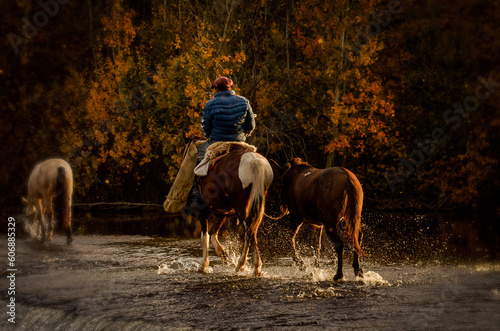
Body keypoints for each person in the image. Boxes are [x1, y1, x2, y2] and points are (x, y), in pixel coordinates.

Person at [186, 76, 256, 214]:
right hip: (240, 143)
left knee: (199, 159)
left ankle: (196, 194)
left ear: (217, 88)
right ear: (231, 87)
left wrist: (211, 134)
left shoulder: (210, 104)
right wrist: (244, 135)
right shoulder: (244, 101)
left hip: (217, 143)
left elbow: (206, 130)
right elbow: (251, 125)